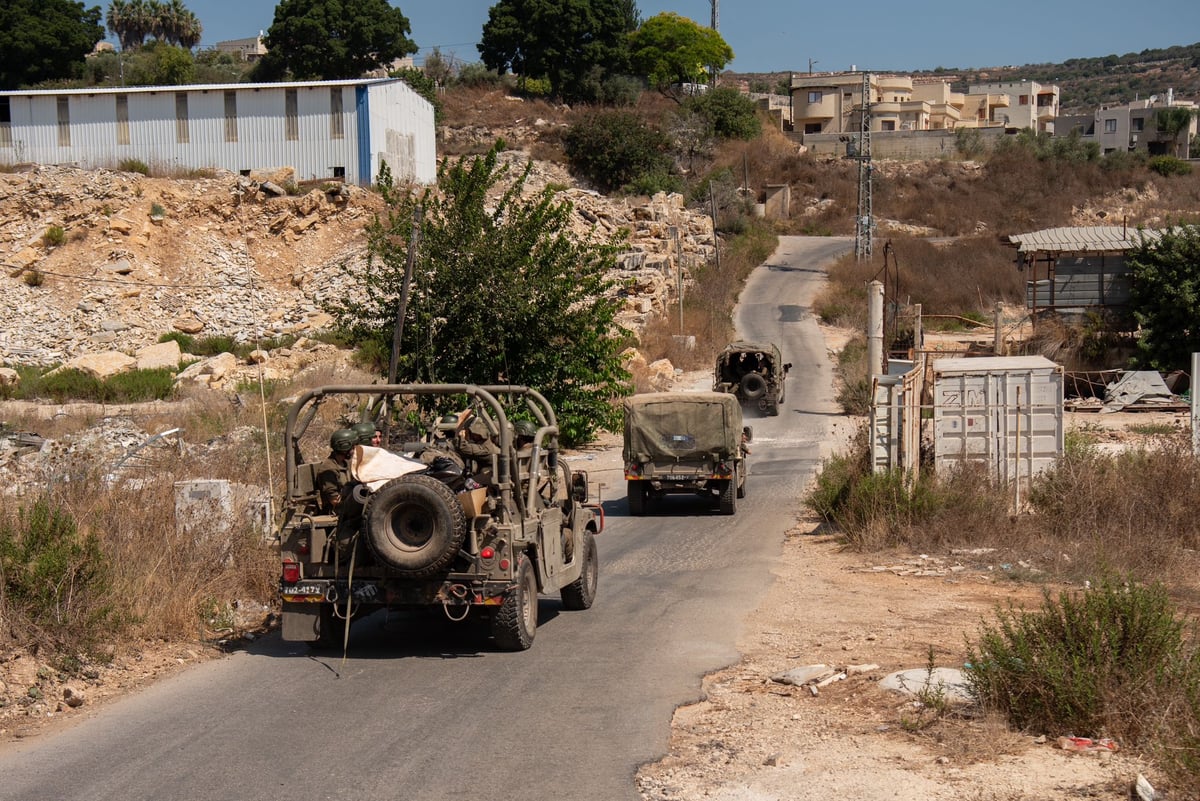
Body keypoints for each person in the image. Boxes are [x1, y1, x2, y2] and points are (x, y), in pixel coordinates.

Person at [315, 428, 356, 514]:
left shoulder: (345, 463)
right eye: (353, 446)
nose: (354, 449)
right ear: (345, 447)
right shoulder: (328, 469)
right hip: (336, 512)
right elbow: (334, 500)